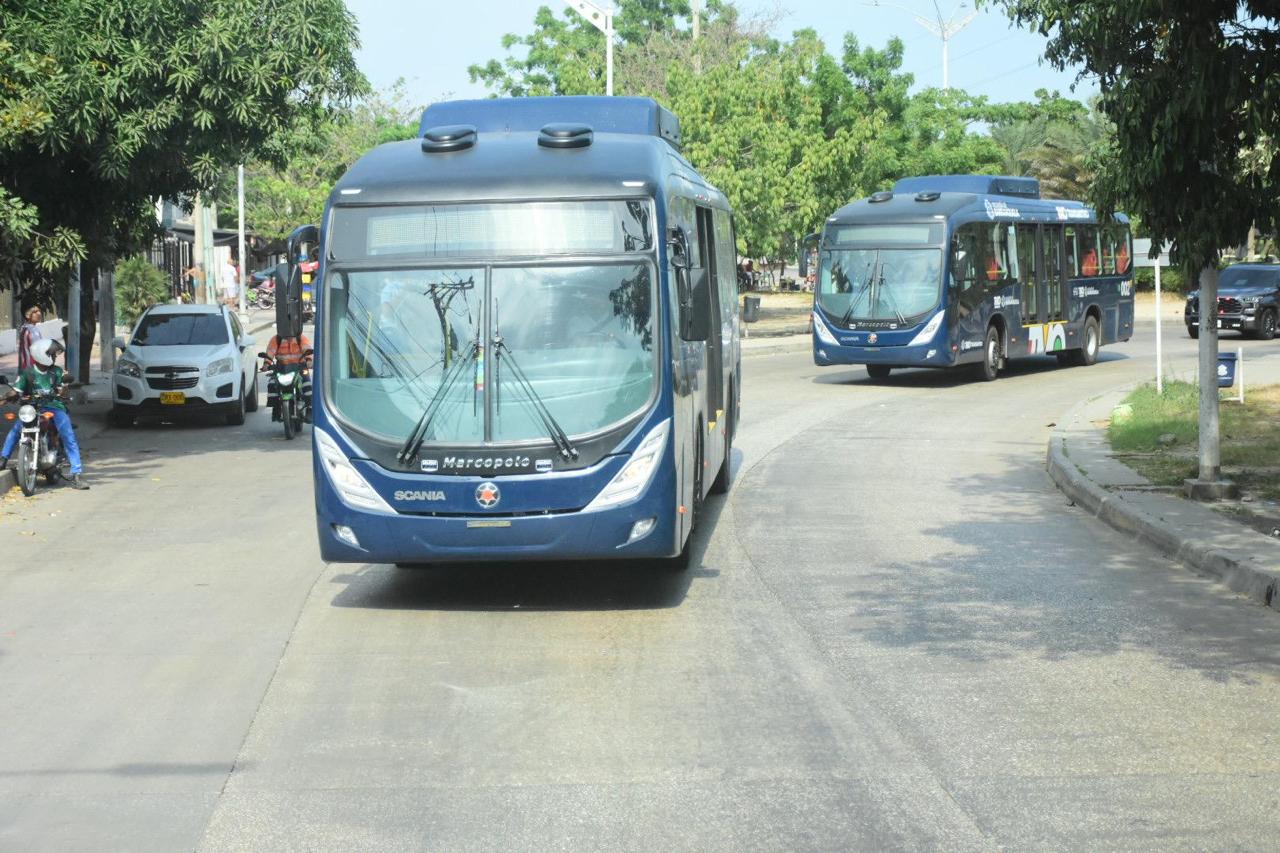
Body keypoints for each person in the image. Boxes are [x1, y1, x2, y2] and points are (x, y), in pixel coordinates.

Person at [1, 339, 88, 489]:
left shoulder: (57, 371)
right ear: (43, 354)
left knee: (68, 435)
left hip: (54, 407)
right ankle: (3, 459)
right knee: (16, 430)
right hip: (33, 408)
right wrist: (5, 397)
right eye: (52, 354)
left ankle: (76, 474)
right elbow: (16, 391)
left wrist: (64, 388)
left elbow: (64, 389)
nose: (54, 357)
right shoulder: (27, 373)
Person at [265, 331, 313, 422]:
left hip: (299, 368)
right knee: (272, 384)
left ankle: (310, 409)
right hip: (281, 369)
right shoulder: (276, 339)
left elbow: (308, 351)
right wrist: (266, 364)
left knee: (307, 384)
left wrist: (309, 361)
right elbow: (270, 353)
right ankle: (276, 408)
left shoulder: (301, 338)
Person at [17, 302, 44, 372]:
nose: (39, 314)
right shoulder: (32, 331)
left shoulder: (24, 328)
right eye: (35, 312)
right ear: (27, 315)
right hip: (33, 368)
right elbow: (38, 350)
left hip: (25, 367)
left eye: (39, 311)